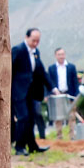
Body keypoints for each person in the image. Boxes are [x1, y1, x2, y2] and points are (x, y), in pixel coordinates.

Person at [11, 27, 51, 155]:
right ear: (27, 37)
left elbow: (41, 71)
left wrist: (52, 88)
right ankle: (19, 146)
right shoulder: (18, 50)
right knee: (23, 117)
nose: (35, 43)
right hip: (18, 91)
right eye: (33, 40)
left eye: (37, 41)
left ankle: (32, 146)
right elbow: (9, 70)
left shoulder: (36, 52)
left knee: (31, 118)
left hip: (31, 91)